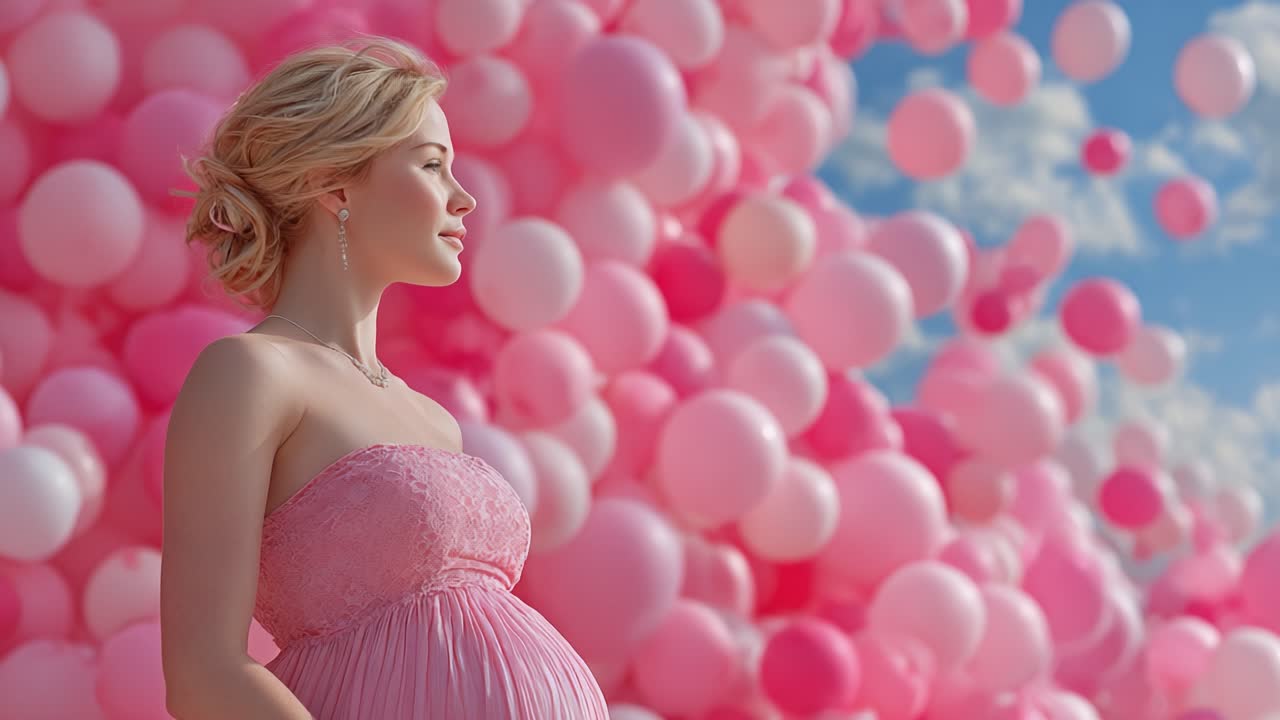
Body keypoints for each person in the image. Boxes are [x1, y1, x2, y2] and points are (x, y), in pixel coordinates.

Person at [159, 36, 609, 720]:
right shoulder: (251, 374)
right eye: (432, 166)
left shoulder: (434, 420)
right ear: (335, 185)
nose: (464, 199)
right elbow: (203, 670)